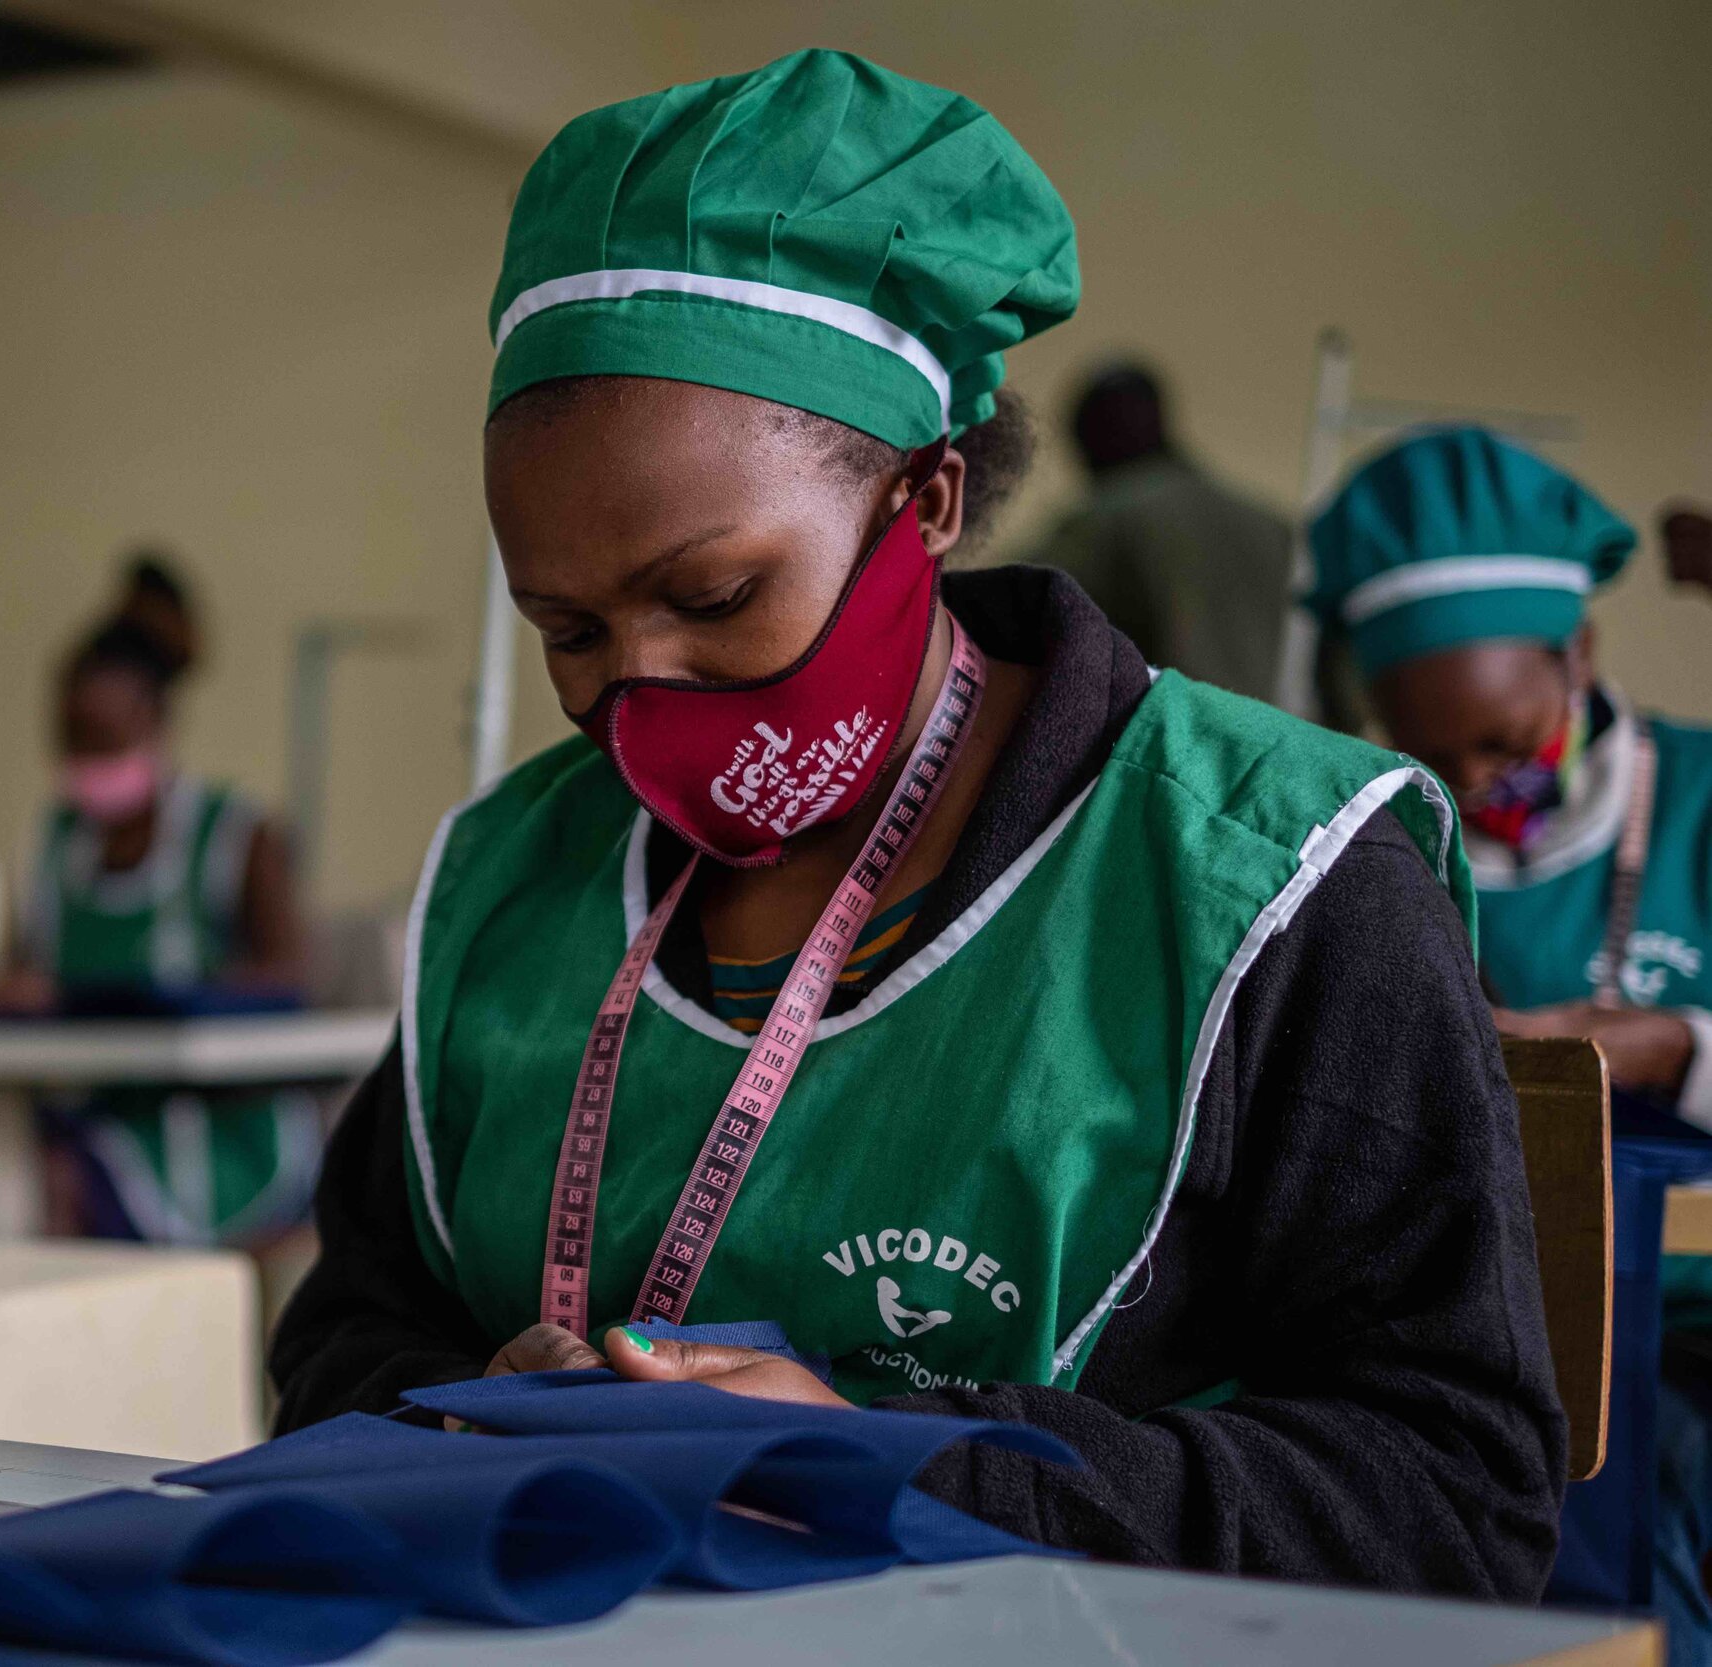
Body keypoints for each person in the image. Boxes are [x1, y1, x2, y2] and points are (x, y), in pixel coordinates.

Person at [270, 49, 1563, 1596]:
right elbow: (345, 1329)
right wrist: (468, 1418)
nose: (639, 689)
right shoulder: (515, 877)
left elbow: (1454, 1492)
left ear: (928, 498)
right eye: (566, 628)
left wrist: (898, 1469)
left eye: (712, 597)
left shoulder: (1269, 879)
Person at [1307, 426, 1712, 1645]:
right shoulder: (1355, 843)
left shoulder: (1697, 802)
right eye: (1429, 753)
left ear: (1578, 650)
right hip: (1472, 1344)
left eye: (1500, 740)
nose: (1476, 788)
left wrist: (1674, 1051)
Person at [0, 560, 316, 1246]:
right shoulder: (55, 844)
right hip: (101, 1114)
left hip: (219, 1134)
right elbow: (27, 974)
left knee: (57, 1181)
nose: (83, 756)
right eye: (70, 738)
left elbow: (291, 976)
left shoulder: (237, 833)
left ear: (155, 725)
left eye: (102, 737)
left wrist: (175, 999)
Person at [1018, 363, 1296, 702]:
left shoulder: (1108, 518)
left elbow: (1016, 604)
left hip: (1168, 737)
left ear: (1097, 436)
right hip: (1276, 742)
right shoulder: (1272, 526)